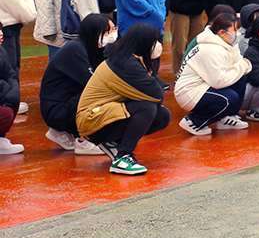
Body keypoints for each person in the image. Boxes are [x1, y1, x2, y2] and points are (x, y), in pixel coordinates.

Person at [76, 23, 171, 175]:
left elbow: (155, 84)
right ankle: (123, 157)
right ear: (143, 43)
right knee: (147, 107)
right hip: (91, 120)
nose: (157, 46)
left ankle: (113, 143)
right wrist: (154, 89)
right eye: (153, 42)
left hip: (100, 116)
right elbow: (157, 94)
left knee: (162, 116)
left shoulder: (129, 59)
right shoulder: (126, 64)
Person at [39, 12, 112, 155]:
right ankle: (84, 139)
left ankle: (60, 131)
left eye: (113, 30)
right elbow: (92, 83)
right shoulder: (75, 49)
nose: (112, 35)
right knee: (99, 95)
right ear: (95, 32)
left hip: (66, 103)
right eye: (108, 31)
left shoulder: (95, 50)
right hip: (55, 109)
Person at [175, 12, 253, 135]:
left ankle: (226, 118)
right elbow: (219, 81)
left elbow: (242, 64)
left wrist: (243, 66)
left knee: (240, 78)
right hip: (190, 91)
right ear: (222, 32)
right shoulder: (211, 49)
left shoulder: (228, 43)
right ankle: (194, 121)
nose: (237, 34)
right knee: (229, 98)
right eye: (235, 30)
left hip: (205, 84)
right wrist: (243, 66)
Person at [0, 27, 24, 154]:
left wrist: (14, 90)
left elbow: (11, 74)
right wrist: (7, 91)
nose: (1, 33)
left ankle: (0, 139)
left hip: (3, 92)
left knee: (14, 100)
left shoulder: (1, 50)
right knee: (5, 114)